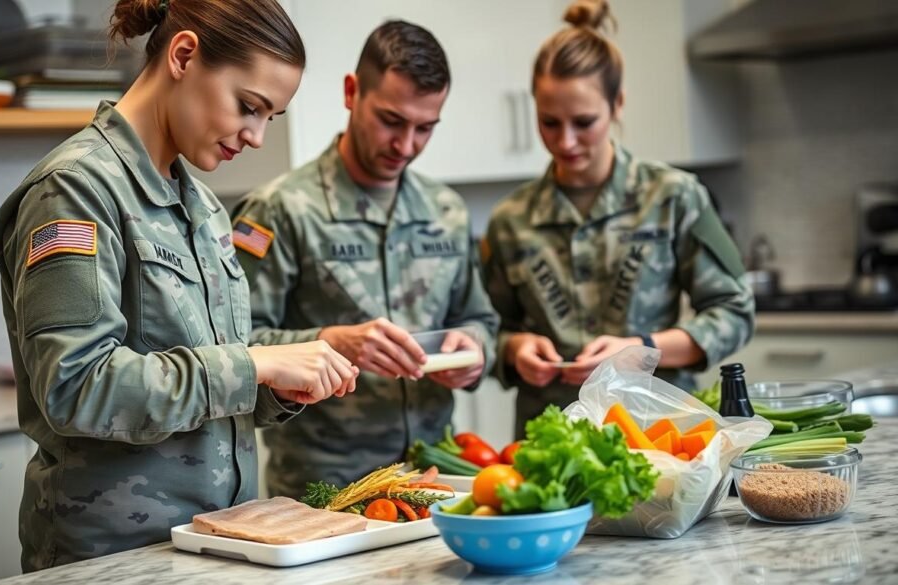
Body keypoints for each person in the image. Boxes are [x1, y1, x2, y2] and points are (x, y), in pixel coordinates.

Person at [0, 0, 358, 571]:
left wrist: (281, 383)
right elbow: (75, 386)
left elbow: (209, 371)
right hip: (113, 560)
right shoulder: (75, 191)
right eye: (248, 107)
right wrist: (255, 365)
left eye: (270, 118)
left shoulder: (203, 205)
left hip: (220, 545)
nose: (256, 136)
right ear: (184, 55)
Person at [232, 20, 500, 498]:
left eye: (425, 128)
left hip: (433, 477)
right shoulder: (281, 210)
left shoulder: (447, 212)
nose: (406, 145)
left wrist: (475, 350)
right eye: (391, 121)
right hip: (323, 490)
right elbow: (234, 343)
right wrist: (331, 342)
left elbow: (479, 317)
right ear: (352, 93)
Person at [482, 0, 755, 436]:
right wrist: (515, 349)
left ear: (618, 104)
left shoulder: (673, 197)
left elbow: (735, 311)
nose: (565, 141)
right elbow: (485, 331)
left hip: (661, 435)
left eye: (583, 122)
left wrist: (645, 349)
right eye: (549, 122)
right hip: (552, 441)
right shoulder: (510, 220)